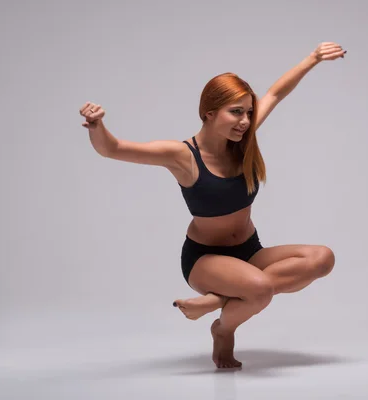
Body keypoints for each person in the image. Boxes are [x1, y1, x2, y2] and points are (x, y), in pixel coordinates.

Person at [79, 42, 347, 369]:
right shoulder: (182, 156)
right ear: (209, 112)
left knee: (322, 258)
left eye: (248, 112)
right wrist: (97, 126)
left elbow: (276, 93)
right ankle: (223, 329)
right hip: (205, 258)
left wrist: (313, 58)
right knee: (260, 290)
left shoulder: (242, 141)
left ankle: (218, 302)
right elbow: (114, 149)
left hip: (249, 250)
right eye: (236, 112)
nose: (246, 121)